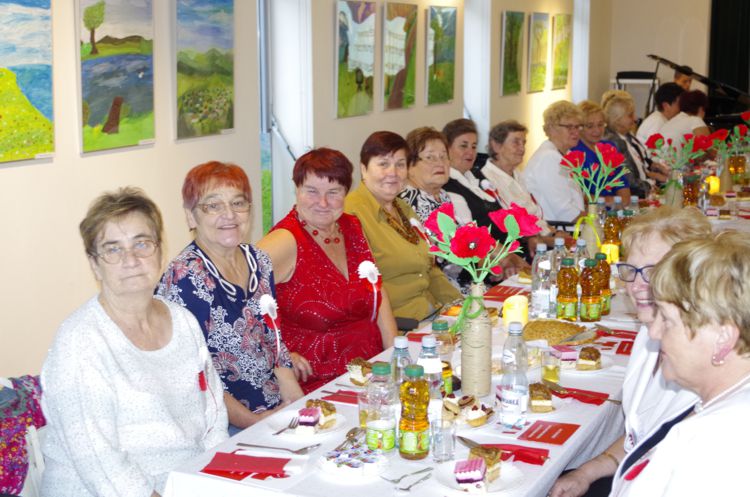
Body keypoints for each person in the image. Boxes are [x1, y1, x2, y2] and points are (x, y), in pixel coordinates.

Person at [41, 187, 228, 497]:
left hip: (185, 482)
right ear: (94, 264)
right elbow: (101, 465)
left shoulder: (183, 321)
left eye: (142, 243)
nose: (131, 259)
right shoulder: (79, 342)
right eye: (113, 249)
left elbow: (214, 417)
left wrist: (215, 481)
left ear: (160, 251)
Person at [549, 206, 711, 497]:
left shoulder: (702, 361)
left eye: (652, 271)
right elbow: (642, 435)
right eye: (631, 270)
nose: (636, 285)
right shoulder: (649, 335)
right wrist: (588, 471)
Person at [158, 162, 303, 432]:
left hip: (273, 410)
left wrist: (297, 405)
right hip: (221, 424)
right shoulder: (185, 277)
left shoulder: (259, 260)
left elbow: (273, 339)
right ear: (191, 217)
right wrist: (254, 423)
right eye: (213, 206)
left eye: (238, 203)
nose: (229, 215)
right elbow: (193, 374)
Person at [611, 230, 750, 496]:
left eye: (667, 320)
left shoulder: (718, 443)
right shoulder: (725, 404)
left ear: (723, 338)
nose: (654, 333)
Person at [257, 148, 397, 393]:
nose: (322, 203)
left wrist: (395, 357)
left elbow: (378, 292)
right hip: (319, 382)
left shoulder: (351, 226)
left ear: (346, 193)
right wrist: (281, 355)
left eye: (333, 192)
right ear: (297, 190)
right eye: (311, 191)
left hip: (372, 370)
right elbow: (239, 307)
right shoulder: (284, 241)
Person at [345, 131, 461, 321]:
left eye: (400, 164)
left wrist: (462, 306)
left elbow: (431, 270)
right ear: (364, 169)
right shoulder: (351, 215)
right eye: (383, 164)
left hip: (432, 313)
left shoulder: (403, 208)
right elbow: (363, 292)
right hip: (400, 324)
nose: (393, 173)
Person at [442, 119, 532, 268]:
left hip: (513, 251)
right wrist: (508, 257)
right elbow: (470, 235)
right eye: (463, 146)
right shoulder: (448, 185)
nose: (470, 152)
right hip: (491, 262)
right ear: (447, 149)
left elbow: (504, 213)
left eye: (474, 146)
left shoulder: (477, 177)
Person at [521, 100, 585, 223]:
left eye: (578, 126)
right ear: (551, 129)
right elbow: (566, 213)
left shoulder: (565, 154)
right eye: (569, 127)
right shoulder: (548, 158)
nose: (575, 131)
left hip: (570, 226)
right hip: (557, 228)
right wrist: (597, 220)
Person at [603, 94, 664, 198]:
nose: (635, 118)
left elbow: (640, 167)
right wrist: (651, 184)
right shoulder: (614, 142)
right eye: (630, 115)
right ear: (617, 119)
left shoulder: (627, 136)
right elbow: (629, 181)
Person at [571, 100, 632, 205]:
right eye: (590, 126)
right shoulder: (574, 153)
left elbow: (622, 184)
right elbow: (579, 195)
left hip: (616, 208)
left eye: (600, 125)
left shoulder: (609, 147)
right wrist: (610, 201)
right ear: (580, 128)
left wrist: (620, 201)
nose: (597, 130)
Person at [398, 126, 452, 222]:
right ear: (410, 166)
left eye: (443, 156)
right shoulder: (406, 203)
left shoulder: (443, 196)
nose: (440, 163)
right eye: (429, 157)